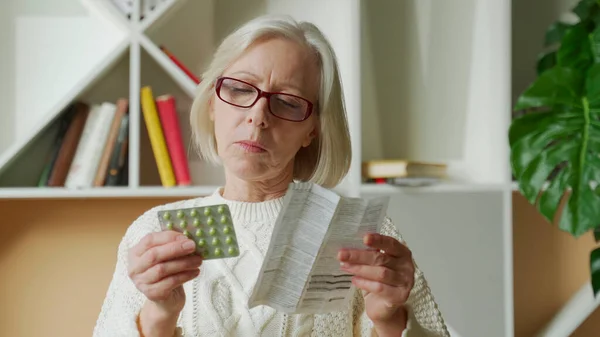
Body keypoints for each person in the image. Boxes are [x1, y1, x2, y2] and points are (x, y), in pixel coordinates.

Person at [93, 14, 449, 337]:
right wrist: (158, 314)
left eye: (289, 102)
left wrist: (389, 321)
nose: (258, 116)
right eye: (240, 89)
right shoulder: (153, 233)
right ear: (214, 102)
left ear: (313, 130)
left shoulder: (364, 236)